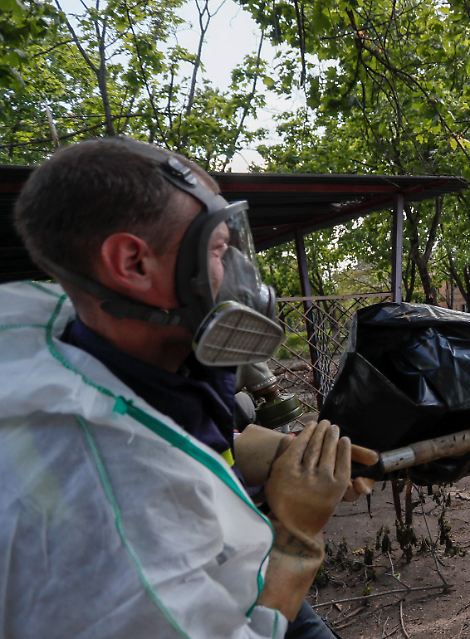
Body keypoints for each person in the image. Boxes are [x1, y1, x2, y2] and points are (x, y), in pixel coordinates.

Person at [1, 137, 360, 638]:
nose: (237, 273)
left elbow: (173, 428)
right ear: (132, 263)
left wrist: (275, 454)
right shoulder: (119, 507)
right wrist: (296, 535)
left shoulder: (90, 338)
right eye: (218, 249)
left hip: (235, 570)